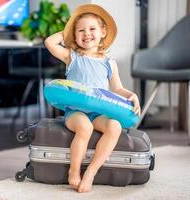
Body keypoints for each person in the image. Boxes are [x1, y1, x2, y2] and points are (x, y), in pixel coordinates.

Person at [44, 4, 141, 193]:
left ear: (103, 32)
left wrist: (131, 95)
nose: (86, 33)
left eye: (92, 29)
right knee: (85, 128)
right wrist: (68, 33)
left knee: (114, 126)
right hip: (76, 111)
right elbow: (49, 42)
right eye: (81, 30)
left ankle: (90, 173)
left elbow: (117, 88)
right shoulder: (72, 57)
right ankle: (74, 170)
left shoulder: (108, 63)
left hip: (98, 112)